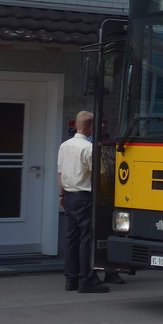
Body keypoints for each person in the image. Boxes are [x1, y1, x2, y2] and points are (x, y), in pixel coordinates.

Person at [58, 110, 107, 293]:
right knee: (86, 239)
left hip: (68, 195)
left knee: (71, 238)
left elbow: (60, 172)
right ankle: (86, 280)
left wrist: (61, 195)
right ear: (91, 127)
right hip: (84, 196)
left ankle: (70, 279)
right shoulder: (89, 148)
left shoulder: (65, 146)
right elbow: (100, 173)